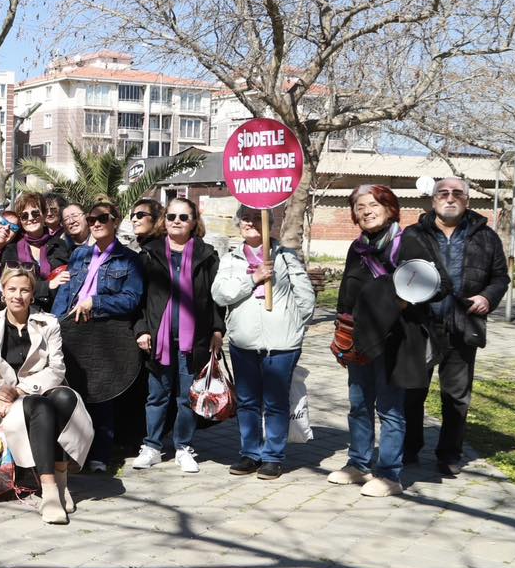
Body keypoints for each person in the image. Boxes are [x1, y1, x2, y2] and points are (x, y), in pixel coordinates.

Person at [330, 184, 449, 497]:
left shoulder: (409, 241)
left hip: (397, 340)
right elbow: (346, 293)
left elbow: (441, 285)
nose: (366, 211)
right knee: (358, 405)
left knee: (390, 409)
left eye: (372, 204)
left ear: (389, 207)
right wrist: (340, 328)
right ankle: (358, 464)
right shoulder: (357, 248)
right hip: (360, 339)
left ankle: (389, 474)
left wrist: (408, 300)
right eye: (359, 206)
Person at [402, 179, 510, 477]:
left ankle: (449, 454)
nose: (450, 199)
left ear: (467, 200)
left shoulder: (486, 237)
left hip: (463, 327)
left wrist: (488, 297)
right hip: (420, 327)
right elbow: (397, 275)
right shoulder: (413, 235)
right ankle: (409, 448)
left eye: (457, 194)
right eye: (443, 193)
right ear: (433, 199)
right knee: (412, 392)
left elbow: (500, 277)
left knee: (456, 396)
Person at [0, 267, 93, 524]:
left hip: (42, 389)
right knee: (39, 407)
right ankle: (50, 488)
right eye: (12, 289)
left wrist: (20, 389)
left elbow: (57, 368)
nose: (17, 295)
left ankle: (62, 481)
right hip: (14, 402)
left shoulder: (48, 323)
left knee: (64, 399)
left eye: (25, 290)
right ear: (3, 293)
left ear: (32, 295)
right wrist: (0, 393)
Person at [212, 206, 315, 480]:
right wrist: (253, 278)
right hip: (244, 341)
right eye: (245, 218)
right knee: (247, 401)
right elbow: (221, 294)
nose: (250, 222)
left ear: (271, 223)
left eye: (258, 218)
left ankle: (273, 456)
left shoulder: (285, 257)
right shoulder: (231, 258)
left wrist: (294, 327)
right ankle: (250, 453)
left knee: (275, 401)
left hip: (282, 343)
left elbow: (306, 297)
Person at [130, 197, 224, 473]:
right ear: (164, 220)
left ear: (194, 222)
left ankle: (183, 446)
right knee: (156, 395)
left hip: (194, 339)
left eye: (183, 217)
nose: (176, 222)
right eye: (171, 217)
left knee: (186, 397)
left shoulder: (207, 255)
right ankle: (152, 446)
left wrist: (218, 329)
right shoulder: (149, 254)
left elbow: (215, 298)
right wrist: (142, 329)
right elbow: (140, 298)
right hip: (158, 338)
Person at [52, 198, 145, 472]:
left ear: (115, 220)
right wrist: (55, 322)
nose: (96, 224)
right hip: (73, 328)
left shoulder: (129, 259)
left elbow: (132, 299)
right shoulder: (80, 255)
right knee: (73, 391)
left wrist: (97, 302)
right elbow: (67, 293)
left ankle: (99, 457)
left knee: (102, 394)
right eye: (92, 220)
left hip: (104, 332)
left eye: (102, 219)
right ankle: (73, 454)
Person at [2, 192, 64, 312]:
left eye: (35, 213)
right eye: (24, 216)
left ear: (44, 214)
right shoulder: (11, 249)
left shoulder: (59, 246)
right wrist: (47, 286)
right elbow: (10, 285)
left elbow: (65, 281)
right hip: (22, 313)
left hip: (54, 313)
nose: (30, 218)